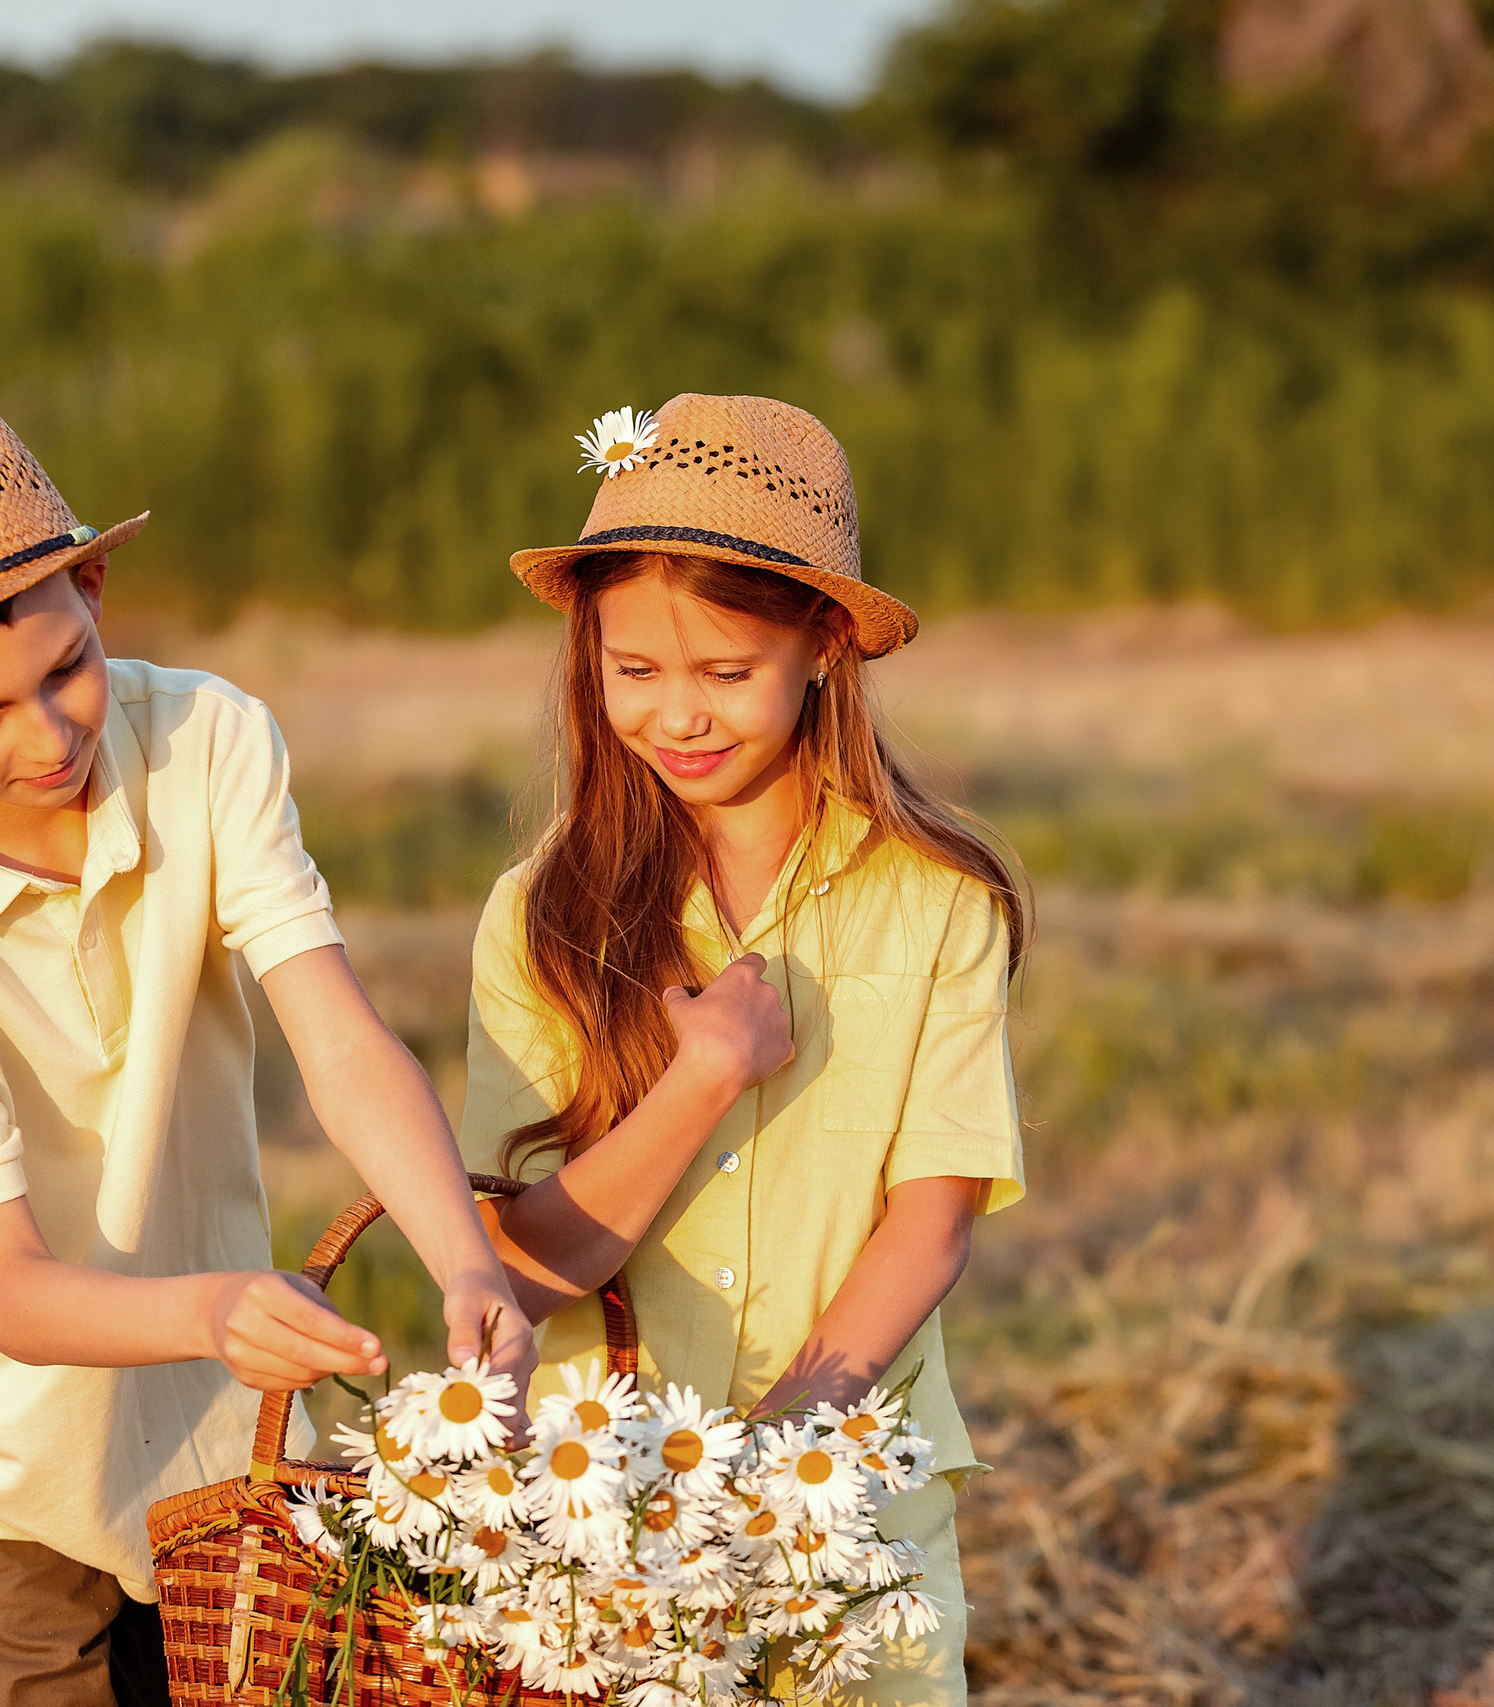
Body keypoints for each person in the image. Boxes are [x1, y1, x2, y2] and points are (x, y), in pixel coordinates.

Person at [0, 386, 530, 1707]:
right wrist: (212, 1311)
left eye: (66, 669)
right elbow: (7, 1292)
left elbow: (341, 1043)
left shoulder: (206, 740)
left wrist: (467, 1259)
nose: (50, 736)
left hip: (208, 1433)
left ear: (95, 585)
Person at [456, 393, 1028, 1706]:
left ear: (824, 644)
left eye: (726, 674)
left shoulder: (938, 899)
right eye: (635, 673)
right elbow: (522, 1268)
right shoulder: (539, 915)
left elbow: (931, 1218)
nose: (680, 717)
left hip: (848, 1513)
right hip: (600, 1526)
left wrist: (773, 1466)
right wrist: (702, 1077)